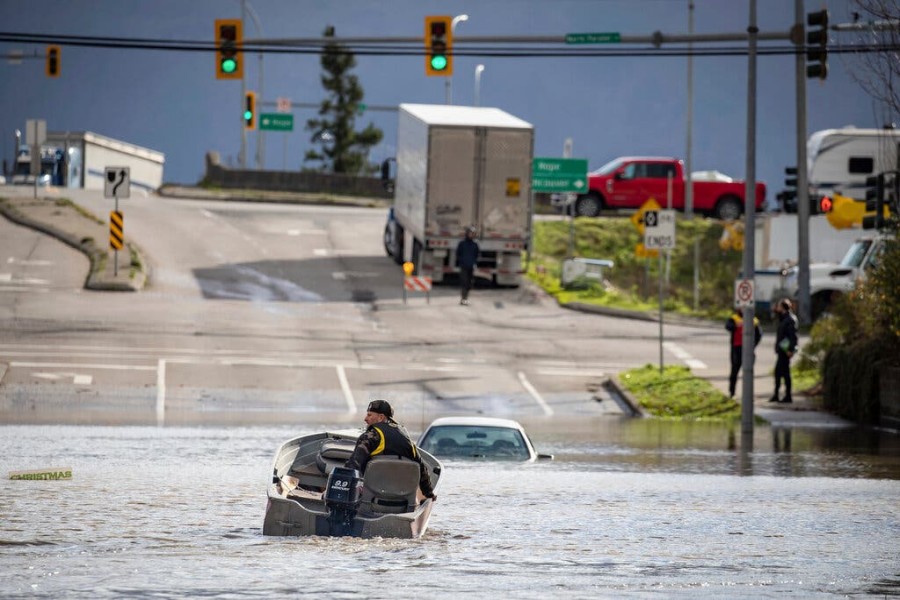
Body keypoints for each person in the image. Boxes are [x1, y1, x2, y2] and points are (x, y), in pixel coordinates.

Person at [344, 400, 437, 502]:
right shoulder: (406, 438)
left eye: (369, 415)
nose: (365, 419)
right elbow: (422, 468)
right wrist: (429, 494)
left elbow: (353, 465)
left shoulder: (370, 436)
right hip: (403, 501)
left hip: (371, 500)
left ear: (381, 417)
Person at [725, 307, 762, 398]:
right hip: (736, 349)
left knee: (749, 372)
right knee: (734, 371)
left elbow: (759, 335)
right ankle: (732, 392)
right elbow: (728, 326)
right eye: (741, 308)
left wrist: (752, 346)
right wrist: (735, 326)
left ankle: (748, 394)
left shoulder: (754, 321)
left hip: (748, 350)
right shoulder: (734, 318)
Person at [771, 298, 799, 404]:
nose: (777, 308)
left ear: (782, 307)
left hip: (785, 350)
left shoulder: (790, 319)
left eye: (778, 306)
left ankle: (788, 396)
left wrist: (790, 350)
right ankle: (776, 395)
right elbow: (775, 316)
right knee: (778, 372)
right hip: (781, 349)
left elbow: (793, 336)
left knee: (785, 373)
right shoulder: (783, 318)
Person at [456, 226, 480, 305]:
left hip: (471, 266)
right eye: (470, 233)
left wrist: (474, 263)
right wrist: (461, 261)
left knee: (469, 283)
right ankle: (463, 298)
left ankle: (466, 298)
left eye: (473, 234)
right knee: (464, 282)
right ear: (467, 234)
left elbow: (477, 254)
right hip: (464, 266)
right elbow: (458, 253)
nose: (471, 235)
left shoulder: (475, 244)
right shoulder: (462, 244)